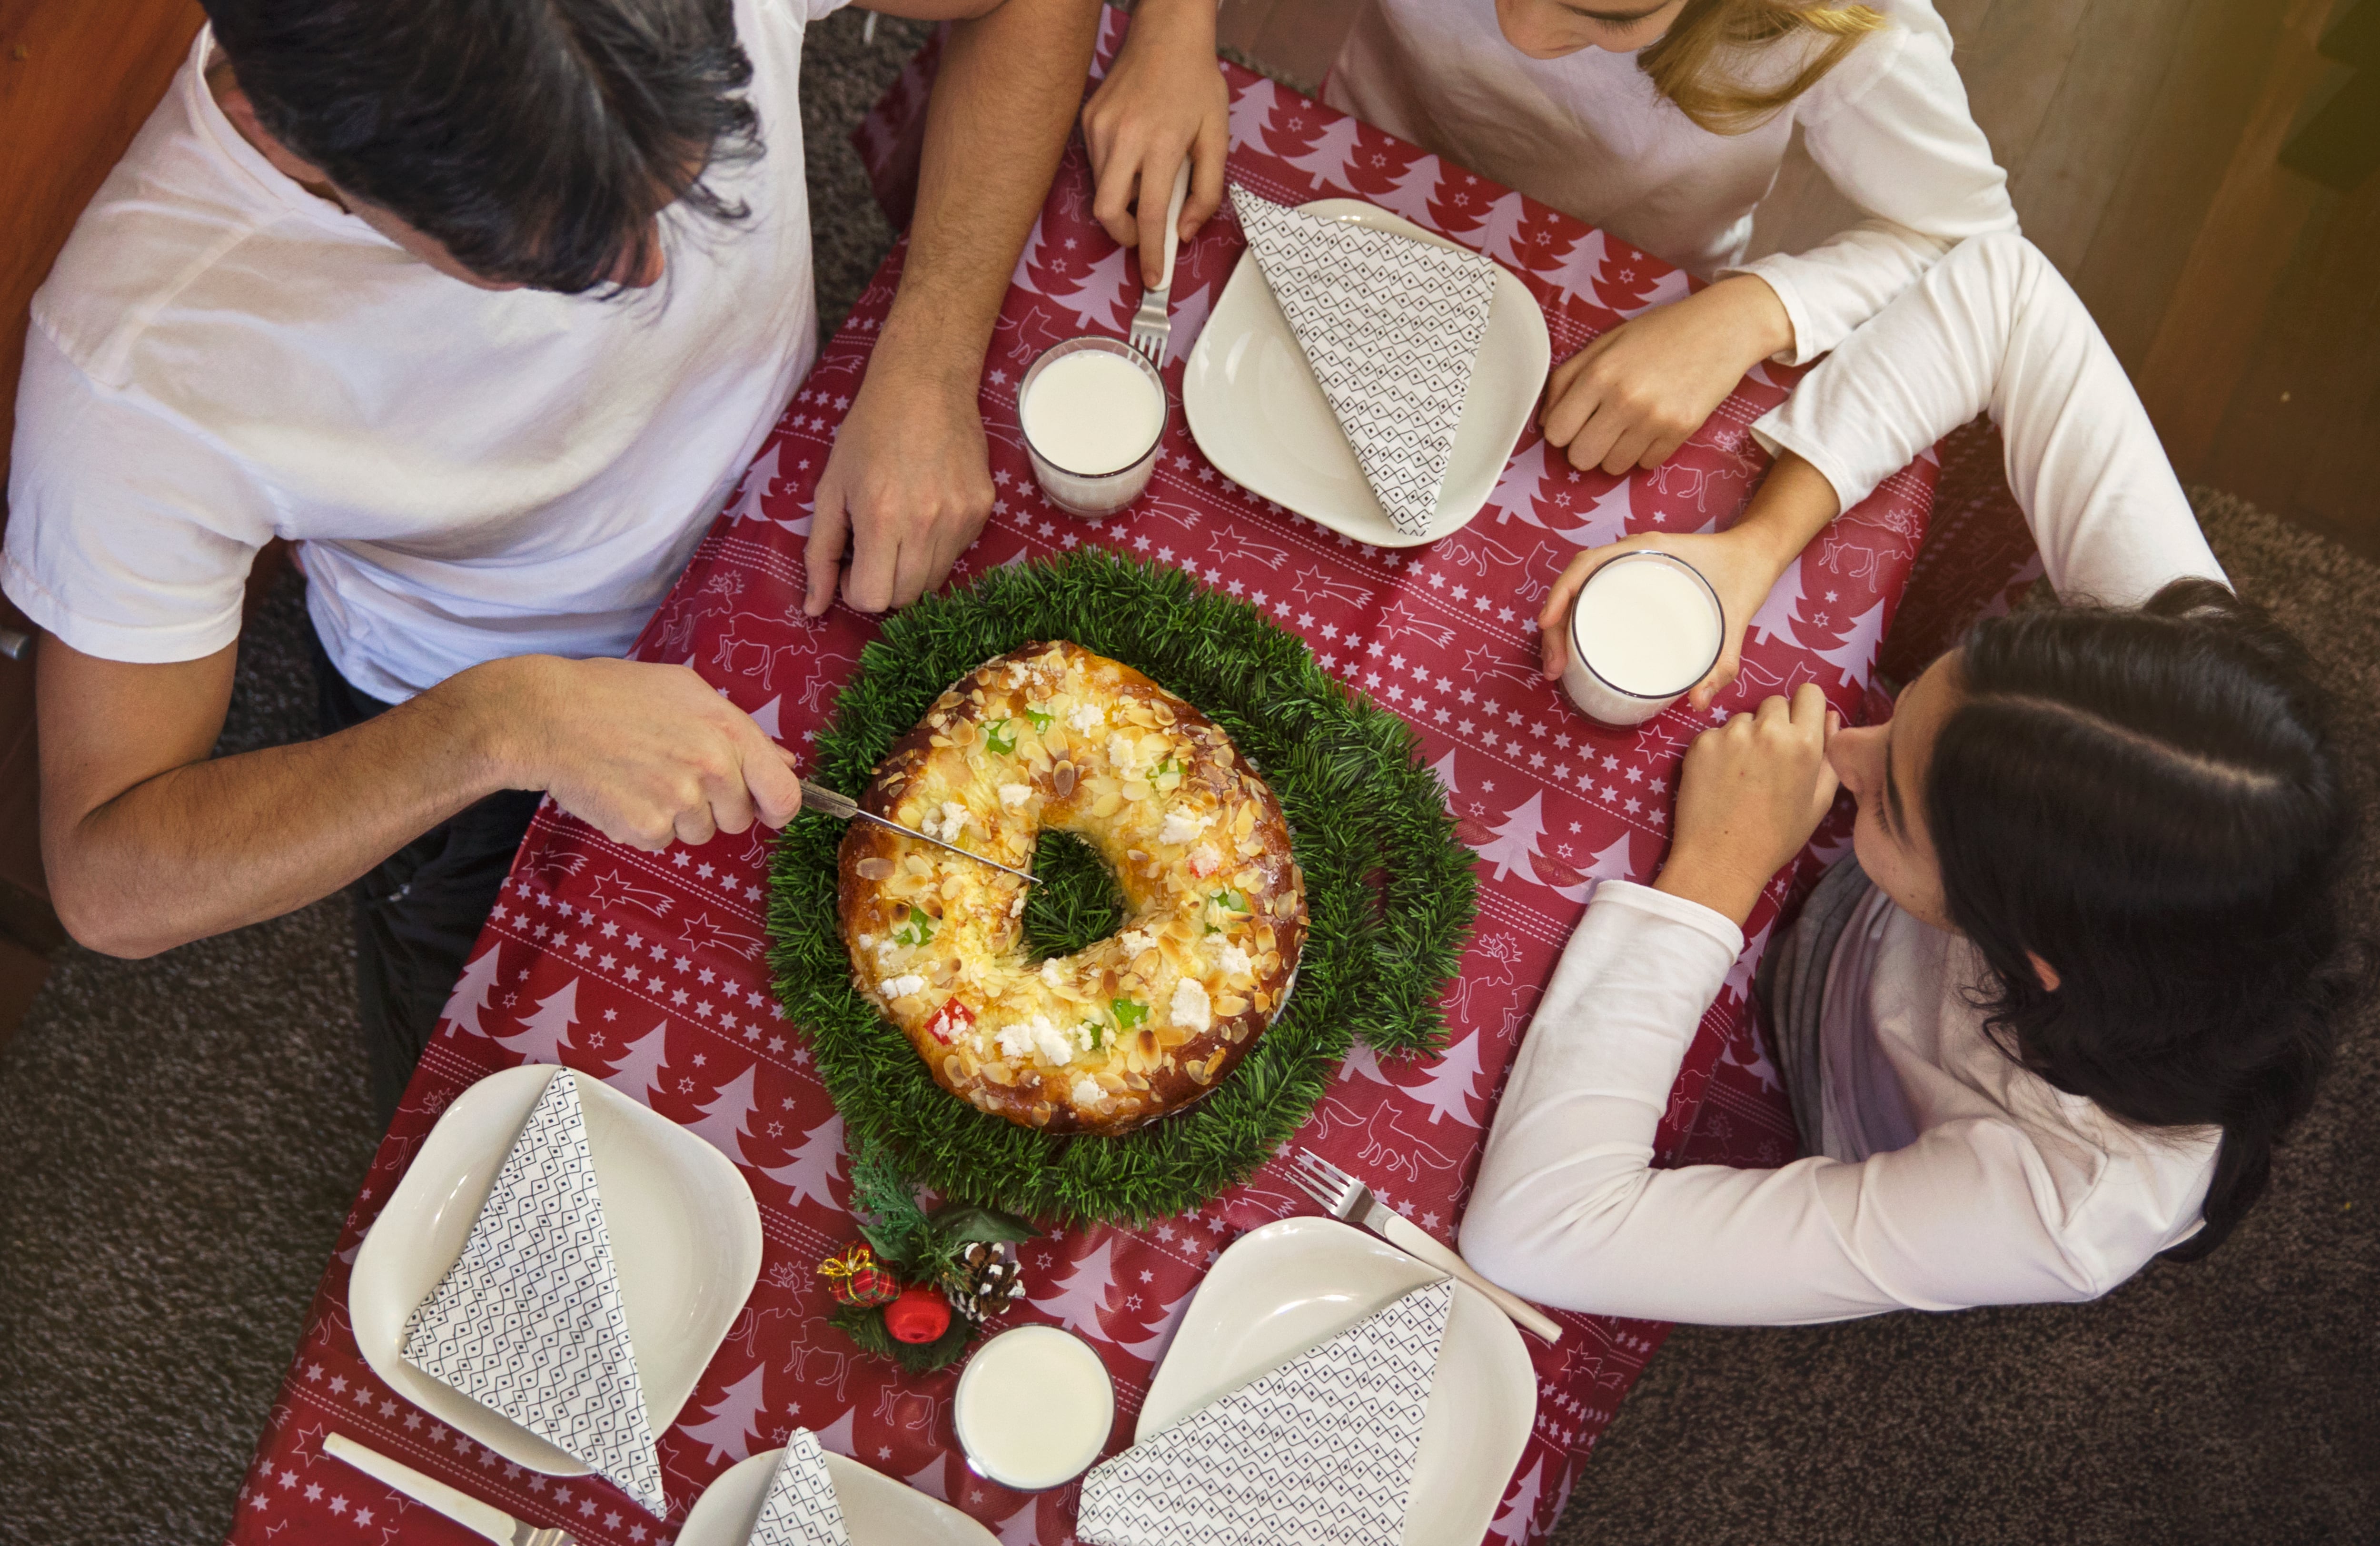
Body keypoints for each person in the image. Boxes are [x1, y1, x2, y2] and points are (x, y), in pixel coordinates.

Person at [6, 0, 1098, 1118]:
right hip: (474, 728)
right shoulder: (137, 360)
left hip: (809, 498)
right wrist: (504, 724)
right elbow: (107, 880)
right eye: (552, 264)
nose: (655, 274)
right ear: (305, 143)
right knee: (531, 1136)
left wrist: (927, 349)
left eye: (690, 183)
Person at [1456, 233, 2359, 1322]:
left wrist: (1715, 875)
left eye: (1886, 802)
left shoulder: (2060, 1206)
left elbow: (1537, 1232)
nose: (1843, 750)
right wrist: (1752, 546)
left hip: (1827, 1097)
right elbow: (2008, 290)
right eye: (1908, 708)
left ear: (2028, 953)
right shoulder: (2176, 686)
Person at [1082, 0, 2013, 476]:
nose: (1523, 30)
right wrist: (1170, 26)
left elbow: (1975, 248)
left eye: (1610, 15)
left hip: (1625, 329)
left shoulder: (1849, 28)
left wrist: (1751, 312)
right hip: (1361, 172)